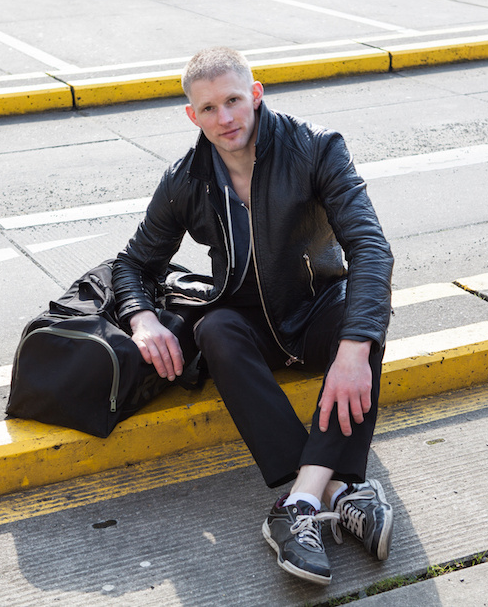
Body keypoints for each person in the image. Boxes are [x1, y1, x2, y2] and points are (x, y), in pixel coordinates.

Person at [111, 46, 394, 585]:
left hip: (317, 311)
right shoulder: (186, 179)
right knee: (215, 328)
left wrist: (355, 350)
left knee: (362, 319)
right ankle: (340, 490)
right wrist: (141, 317)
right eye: (209, 108)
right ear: (192, 115)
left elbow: (370, 249)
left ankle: (299, 504)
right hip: (249, 325)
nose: (225, 118)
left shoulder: (316, 148)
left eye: (234, 101)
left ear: (256, 95)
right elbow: (133, 263)